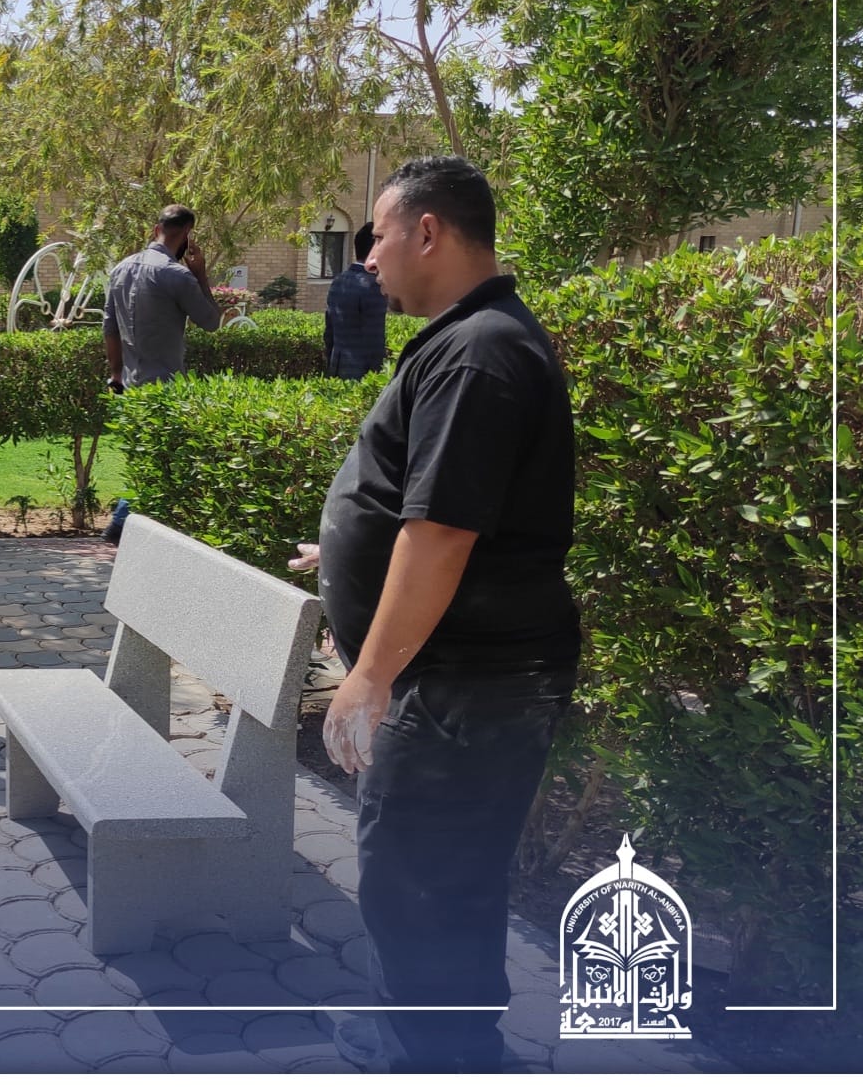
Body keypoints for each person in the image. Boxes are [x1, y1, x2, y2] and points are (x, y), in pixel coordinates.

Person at [311, 156, 580, 1072]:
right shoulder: (473, 339)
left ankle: (440, 1057)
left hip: (465, 683)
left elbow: (444, 534)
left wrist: (369, 675)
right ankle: (432, 1041)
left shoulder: (478, 353)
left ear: (427, 232)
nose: (368, 259)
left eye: (378, 237)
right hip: (467, 678)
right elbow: (428, 515)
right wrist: (346, 550)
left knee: (421, 877)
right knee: (433, 872)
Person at [100, 203, 222, 542]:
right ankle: (122, 524)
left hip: (129, 382)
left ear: (156, 230)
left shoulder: (121, 268)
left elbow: (109, 328)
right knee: (163, 461)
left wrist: (116, 373)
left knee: (144, 456)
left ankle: (127, 526)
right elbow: (211, 321)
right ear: (187, 236)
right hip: (166, 385)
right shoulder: (177, 275)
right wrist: (200, 273)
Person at [323, 221, 388, 378]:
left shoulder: (339, 280)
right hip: (363, 374)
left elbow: (329, 332)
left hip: (336, 366)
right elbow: (375, 338)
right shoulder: (373, 286)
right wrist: (379, 375)